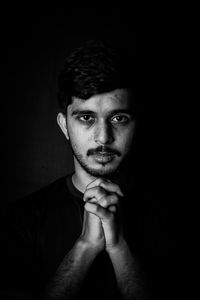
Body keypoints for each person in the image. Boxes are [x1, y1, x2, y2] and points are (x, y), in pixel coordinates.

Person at [1, 40, 167, 300]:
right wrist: (86, 246)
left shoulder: (171, 217)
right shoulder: (20, 222)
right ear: (65, 126)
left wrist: (119, 247)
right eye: (86, 118)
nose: (103, 137)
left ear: (137, 124)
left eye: (118, 118)